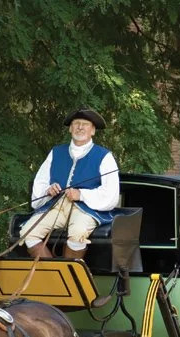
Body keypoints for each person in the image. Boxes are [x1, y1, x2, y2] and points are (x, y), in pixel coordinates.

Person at [20, 107, 119, 259]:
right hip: (56, 207)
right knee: (27, 232)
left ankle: (70, 277)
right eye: (76, 123)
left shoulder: (104, 156)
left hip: (85, 209)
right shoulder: (56, 152)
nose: (80, 127)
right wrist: (48, 190)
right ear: (70, 129)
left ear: (92, 131)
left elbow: (111, 194)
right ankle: (55, 277)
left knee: (78, 233)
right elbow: (40, 182)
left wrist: (81, 194)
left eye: (85, 124)